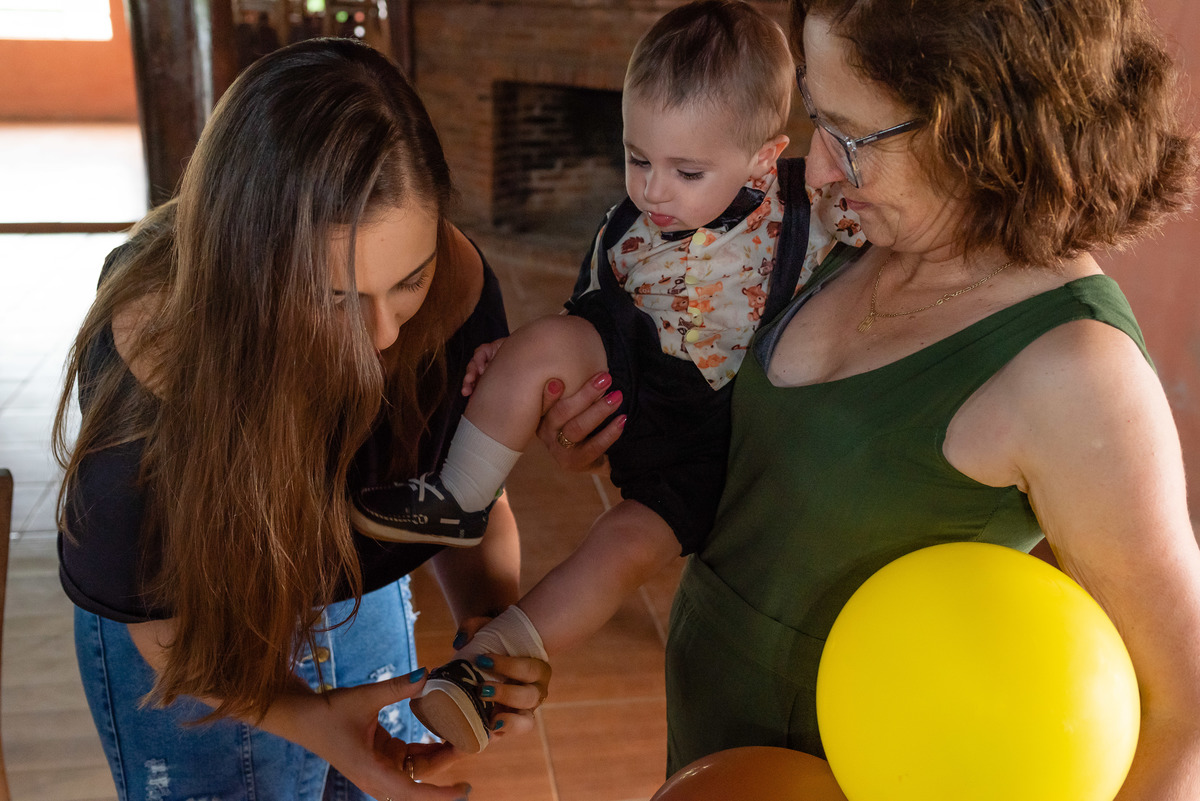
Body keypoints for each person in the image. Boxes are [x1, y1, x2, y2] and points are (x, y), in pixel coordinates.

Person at [662, 0, 1200, 798]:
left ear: (984, 128)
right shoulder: (858, 233)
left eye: (850, 136)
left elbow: (1183, 710)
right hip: (708, 739)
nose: (815, 170)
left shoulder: (1078, 372)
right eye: (815, 112)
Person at [52, 37, 567, 801]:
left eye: (409, 280)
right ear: (246, 270)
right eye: (333, 299)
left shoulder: (457, 293)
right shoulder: (150, 388)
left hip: (352, 587)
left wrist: (490, 626)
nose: (385, 334)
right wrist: (308, 714)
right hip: (191, 631)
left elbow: (465, 501)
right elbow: (164, 633)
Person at [350, 0, 865, 755]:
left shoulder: (804, 212)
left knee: (622, 547)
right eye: (636, 157)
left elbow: (882, 242)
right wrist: (530, 367)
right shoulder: (626, 228)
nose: (653, 190)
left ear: (763, 156)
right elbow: (585, 320)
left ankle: (483, 670)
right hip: (630, 387)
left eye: (687, 171)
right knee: (546, 338)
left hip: (713, 442)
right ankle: (460, 495)